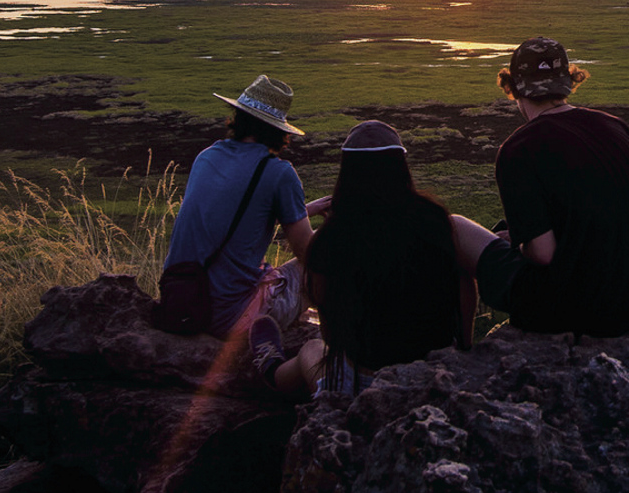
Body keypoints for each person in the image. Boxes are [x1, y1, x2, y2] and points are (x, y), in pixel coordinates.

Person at [448, 36, 629, 338]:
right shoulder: (617, 127)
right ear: (568, 82)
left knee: (454, 228)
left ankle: (461, 348)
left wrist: (518, 243)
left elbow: (543, 254)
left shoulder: (518, 148)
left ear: (514, 87)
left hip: (564, 310)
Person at [255, 119, 472, 398]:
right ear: (401, 166)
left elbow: (331, 330)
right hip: (437, 371)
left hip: (365, 386)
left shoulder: (332, 237)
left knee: (313, 350)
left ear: (347, 172)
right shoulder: (435, 219)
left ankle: (272, 370)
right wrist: (464, 347)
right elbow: (463, 279)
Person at [164, 74, 326, 343]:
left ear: (238, 117)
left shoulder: (206, 156)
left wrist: (306, 209)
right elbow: (308, 254)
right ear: (279, 131)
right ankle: (335, 344)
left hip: (183, 304)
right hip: (231, 318)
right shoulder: (278, 173)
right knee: (322, 262)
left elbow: (238, 219)